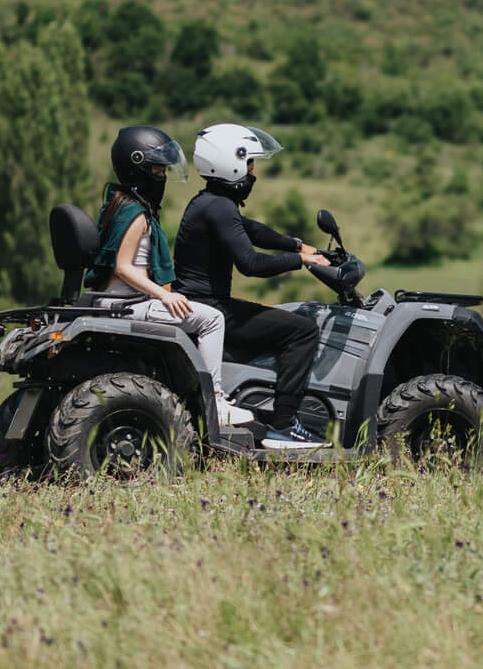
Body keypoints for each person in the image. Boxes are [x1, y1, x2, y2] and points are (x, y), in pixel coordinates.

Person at [174, 122, 332, 450]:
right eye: (250, 164)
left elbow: (252, 230)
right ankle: (284, 425)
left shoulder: (210, 202)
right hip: (210, 307)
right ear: (230, 162)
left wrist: (297, 245)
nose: (253, 173)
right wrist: (303, 262)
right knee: (302, 331)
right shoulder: (218, 207)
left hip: (203, 302)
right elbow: (252, 263)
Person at [85, 125, 252, 428]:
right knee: (212, 319)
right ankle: (214, 399)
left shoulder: (117, 204)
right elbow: (123, 267)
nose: (162, 177)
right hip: (127, 304)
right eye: (158, 170)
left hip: (113, 301)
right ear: (138, 168)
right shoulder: (135, 213)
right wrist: (164, 294)